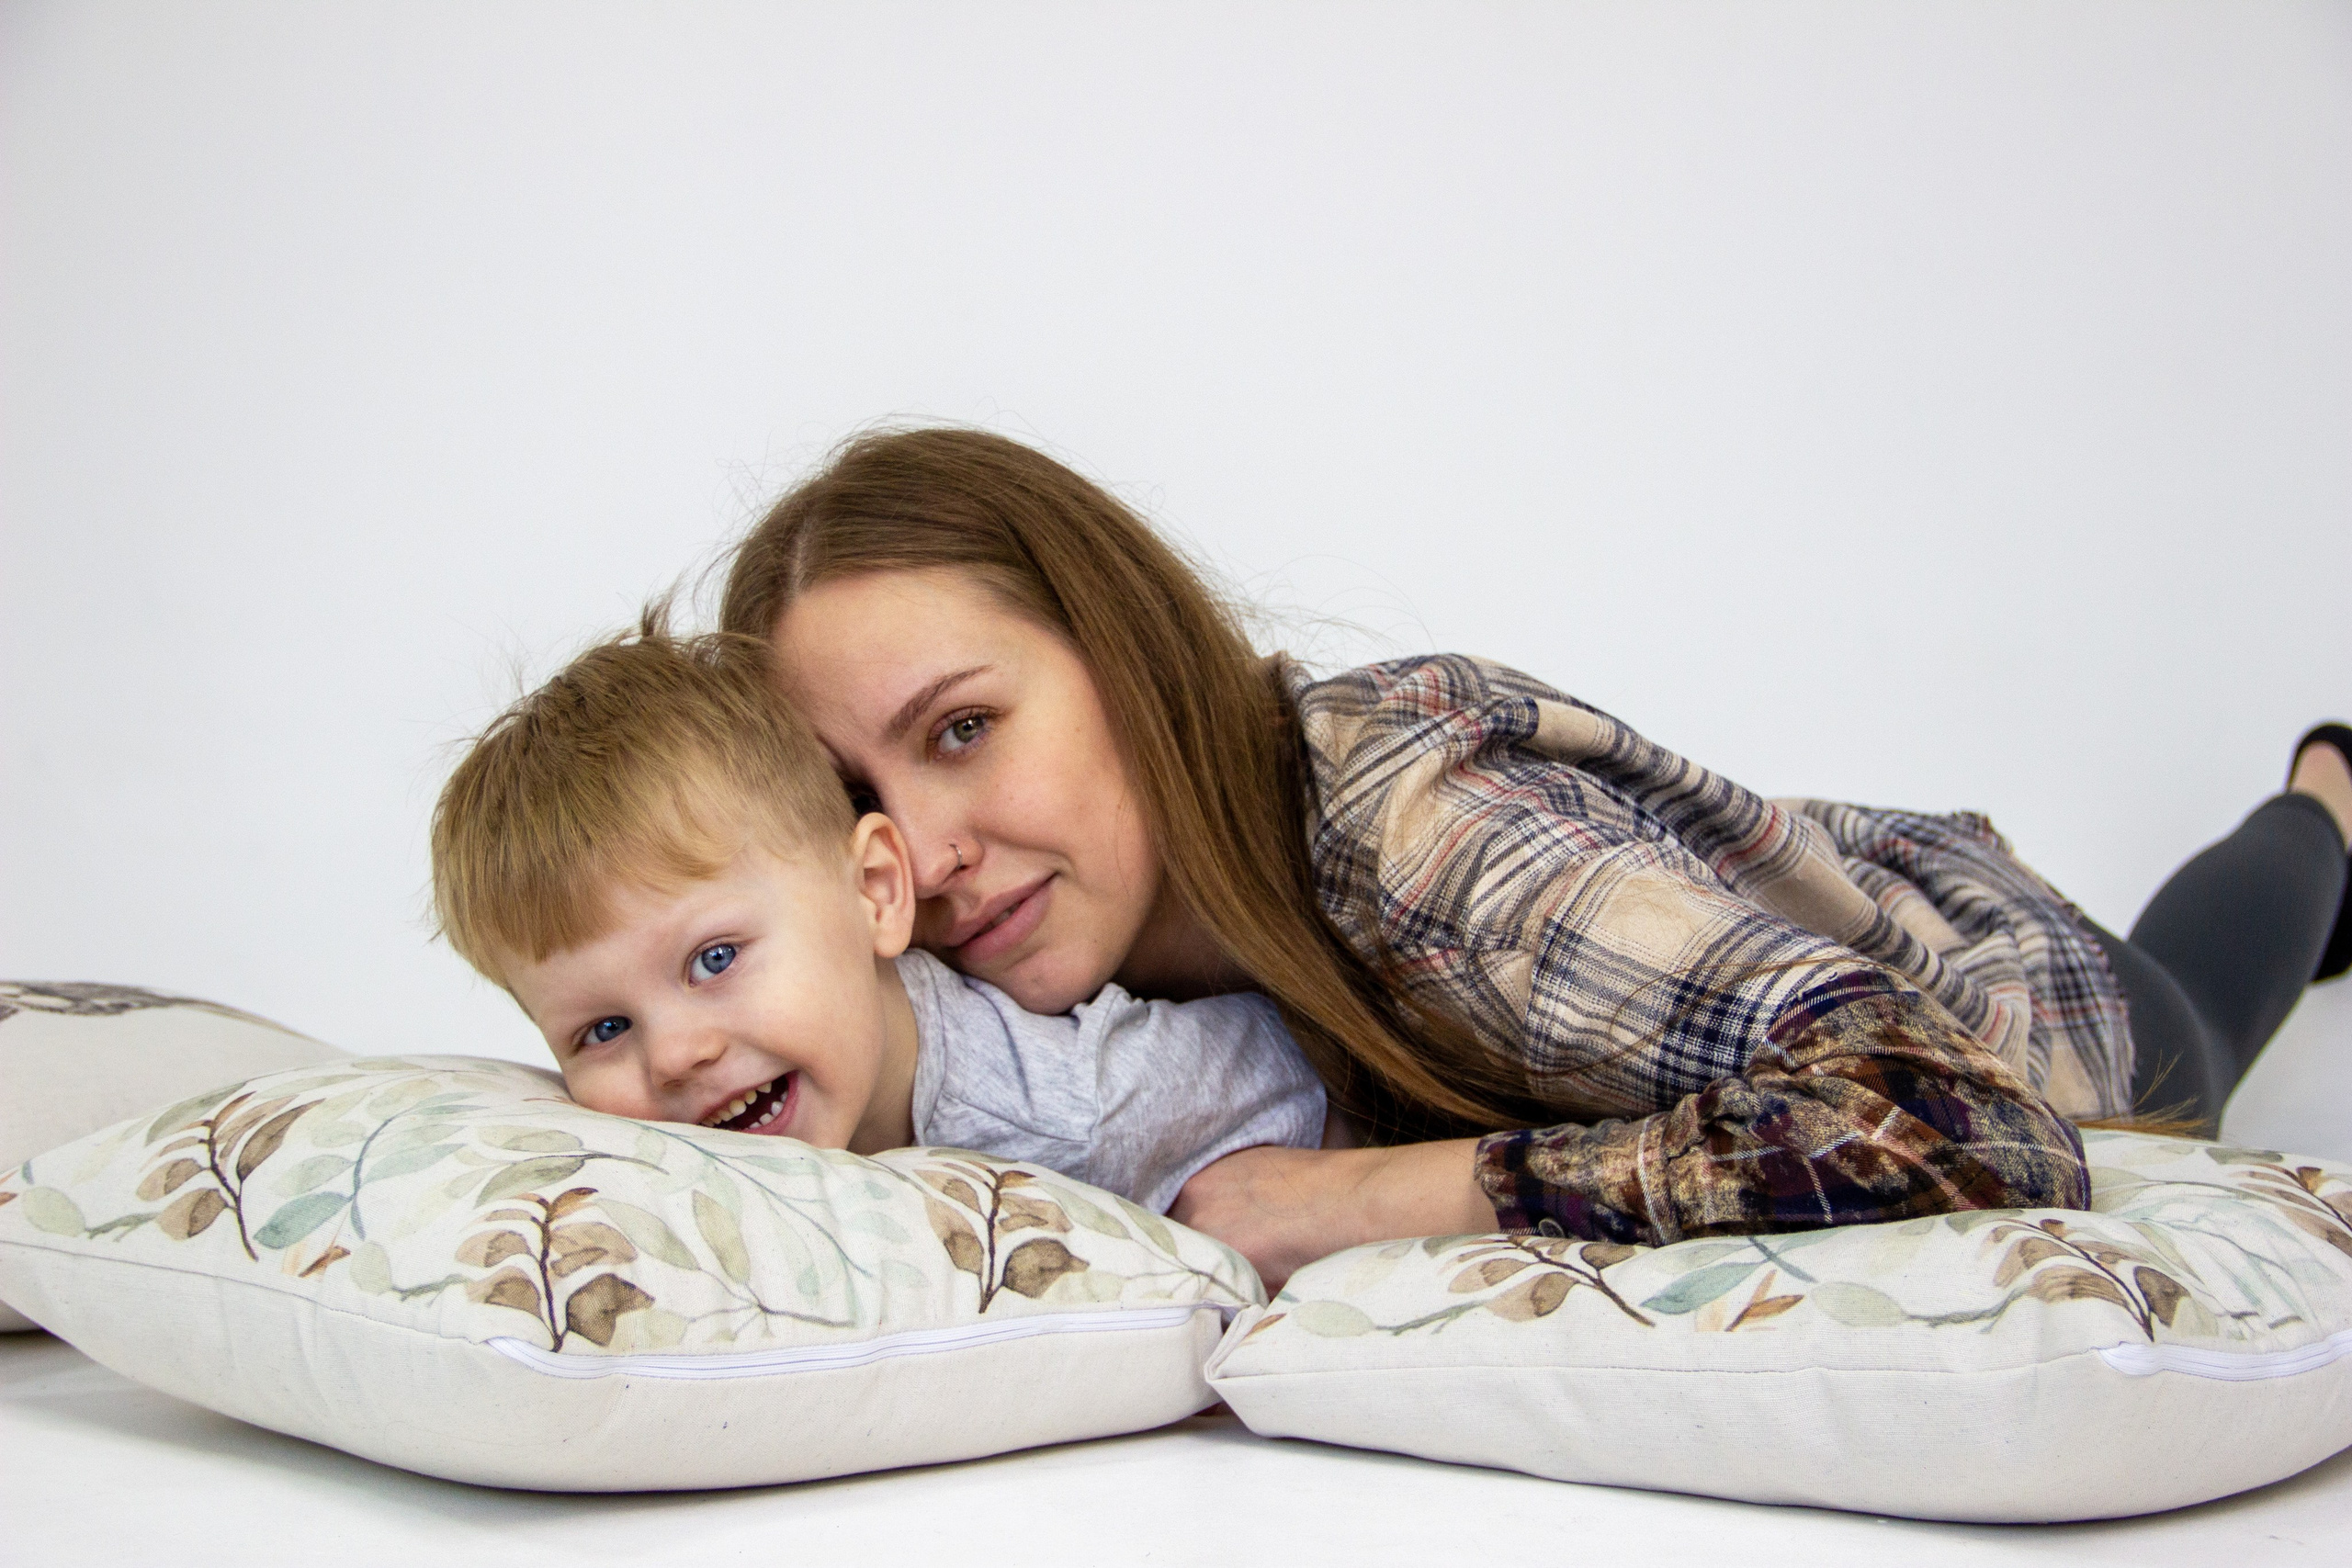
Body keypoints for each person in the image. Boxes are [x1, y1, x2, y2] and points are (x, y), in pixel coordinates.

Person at [719, 426, 2352, 1289]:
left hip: (2008, 985)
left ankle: (2326, 799)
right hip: (1735, 921)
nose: (923, 855)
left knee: (2212, 1006)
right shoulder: (942, 946)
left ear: (1123, 652)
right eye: (857, 794)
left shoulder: (1407, 834)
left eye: (961, 727)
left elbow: (1951, 1120)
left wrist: (1366, 1197)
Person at [427, 615, 1327, 1214]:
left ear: (875, 892)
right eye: (603, 1028)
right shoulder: (697, 1154)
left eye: (713, 960)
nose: (673, 1056)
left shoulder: (1064, 1103)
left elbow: (1319, 1092)